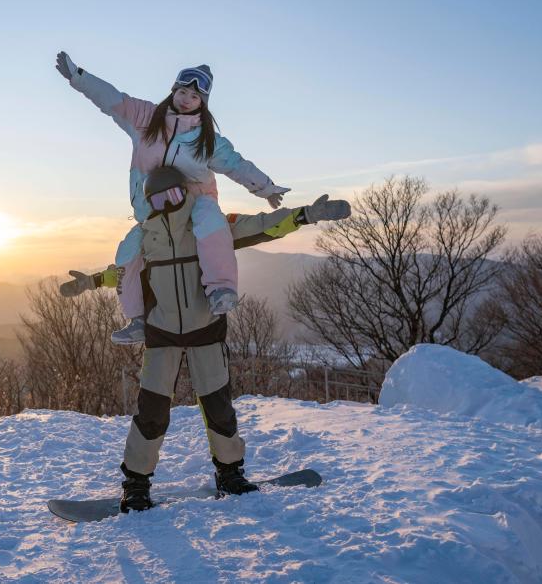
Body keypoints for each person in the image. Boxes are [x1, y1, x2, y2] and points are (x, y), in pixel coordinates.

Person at [61, 166, 351, 512]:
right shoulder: (146, 236)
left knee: (218, 408)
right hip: (161, 334)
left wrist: (304, 215)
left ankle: (230, 473)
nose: (167, 205)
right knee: (151, 413)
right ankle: (136, 484)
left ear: (185, 192)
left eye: (172, 195)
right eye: (157, 200)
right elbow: (125, 272)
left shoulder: (207, 226)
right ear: (148, 202)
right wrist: (91, 282)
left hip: (207, 331)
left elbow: (260, 226)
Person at [55, 52, 289, 345]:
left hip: (194, 204)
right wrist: (79, 77)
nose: (186, 99)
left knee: (210, 221)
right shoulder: (145, 118)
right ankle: (137, 319)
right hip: (152, 210)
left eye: (195, 96)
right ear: (173, 91)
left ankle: (221, 289)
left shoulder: (207, 140)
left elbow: (236, 165)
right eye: (182, 92)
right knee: (127, 252)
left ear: (203, 102)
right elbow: (112, 99)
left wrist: (266, 188)